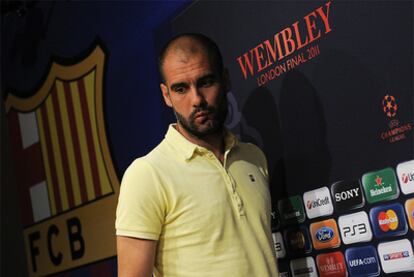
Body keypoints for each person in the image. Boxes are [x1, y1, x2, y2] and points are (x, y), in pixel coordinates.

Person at [116, 33, 278, 277]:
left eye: (205, 82)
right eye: (181, 88)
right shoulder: (147, 174)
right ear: (166, 96)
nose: (197, 99)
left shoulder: (253, 157)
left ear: (225, 80)